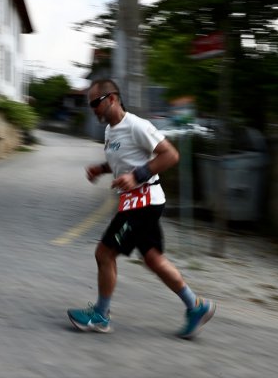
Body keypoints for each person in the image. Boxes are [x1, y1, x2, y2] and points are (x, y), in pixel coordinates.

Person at [67, 79, 215, 339]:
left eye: (95, 103)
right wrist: (100, 169)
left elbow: (170, 155)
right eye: (90, 105)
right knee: (153, 259)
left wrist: (137, 177)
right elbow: (123, 162)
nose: (93, 109)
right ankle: (196, 306)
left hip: (142, 201)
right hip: (138, 201)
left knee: (104, 253)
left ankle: (100, 316)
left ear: (112, 98)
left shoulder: (137, 125)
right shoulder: (111, 131)